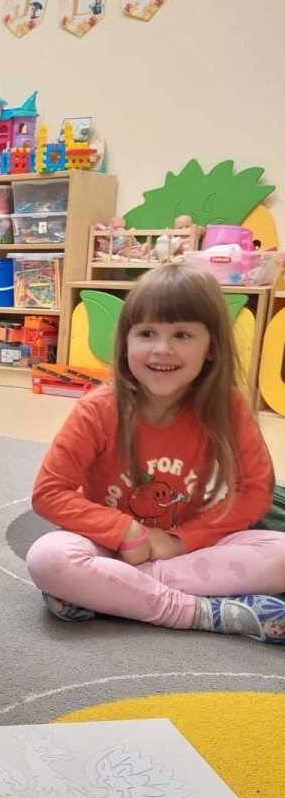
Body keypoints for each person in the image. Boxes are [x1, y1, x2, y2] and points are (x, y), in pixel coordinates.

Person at [27, 264, 285, 643]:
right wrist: (127, 531)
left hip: (182, 547)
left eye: (182, 335)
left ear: (212, 347)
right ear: (125, 342)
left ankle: (110, 591)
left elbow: (255, 491)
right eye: (147, 333)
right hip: (107, 545)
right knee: (48, 559)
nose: (162, 349)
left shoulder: (227, 406)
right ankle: (200, 612)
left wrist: (179, 540)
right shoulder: (97, 409)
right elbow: (49, 493)